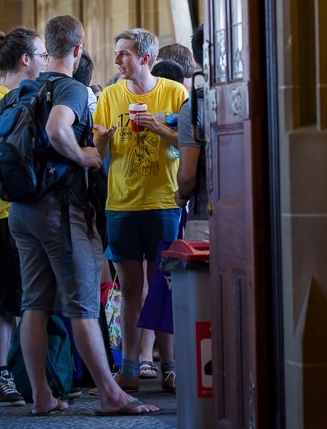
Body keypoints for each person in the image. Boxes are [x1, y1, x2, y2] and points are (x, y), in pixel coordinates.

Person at [6, 15, 161, 417]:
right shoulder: (71, 89)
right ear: (78, 50)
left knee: (34, 304)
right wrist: (85, 156)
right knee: (82, 304)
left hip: (21, 211)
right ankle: (111, 394)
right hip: (60, 212)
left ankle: (41, 395)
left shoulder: (24, 87)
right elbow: (59, 130)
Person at [93, 28, 187, 394]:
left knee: (164, 286)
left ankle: (171, 367)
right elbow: (98, 155)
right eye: (117, 54)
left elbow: (190, 142)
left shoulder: (174, 92)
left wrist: (159, 127)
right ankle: (129, 368)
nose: (117, 61)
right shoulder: (109, 97)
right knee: (131, 288)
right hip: (121, 202)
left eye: (124, 54)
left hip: (163, 200)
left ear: (145, 58)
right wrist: (99, 142)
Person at [0, 27, 49, 407]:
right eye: (41, 54)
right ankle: (2, 374)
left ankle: (25, 377)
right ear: (26, 59)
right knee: (9, 300)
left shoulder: (5, 98)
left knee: (15, 299)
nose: (45, 60)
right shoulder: (8, 99)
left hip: (12, 210)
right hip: (7, 211)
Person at [175, 24, 209, 241]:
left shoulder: (194, 107)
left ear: (196, 60)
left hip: (206, 213)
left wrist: (181, 195)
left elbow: (187, 176)